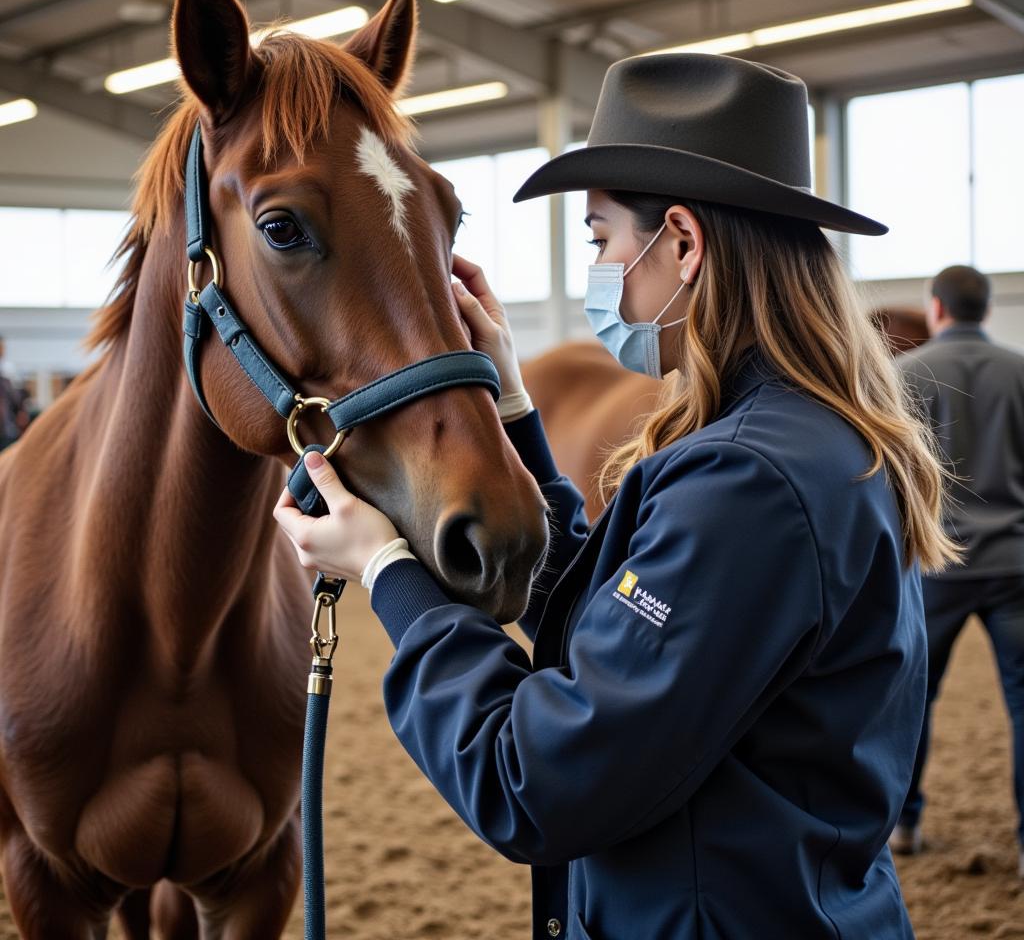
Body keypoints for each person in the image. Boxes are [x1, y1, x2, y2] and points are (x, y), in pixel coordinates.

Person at [274, 53, 959, 938]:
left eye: (601, 240)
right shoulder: (805, 440)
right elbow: (623, 630)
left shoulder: (746, 481)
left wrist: (387, 573)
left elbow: (535, 780)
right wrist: (515, 406)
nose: (598, 271)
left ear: (682, 242)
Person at [890, 265, 1024, 877]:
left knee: (914, 701)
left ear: (936, 309)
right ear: (985, 311)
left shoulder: (903, 375)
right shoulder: (1020, 373)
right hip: (1017, 563)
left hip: (937, 568)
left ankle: (906, 823)